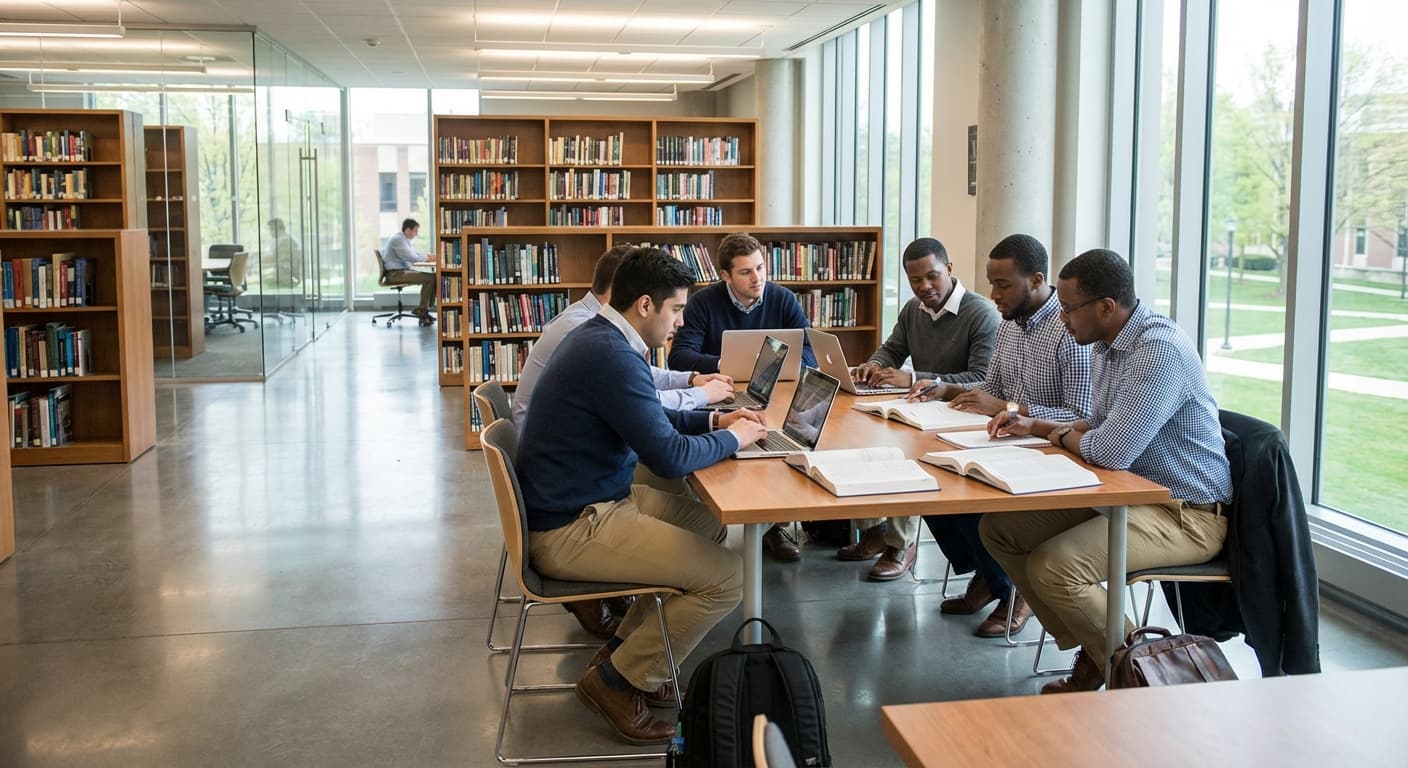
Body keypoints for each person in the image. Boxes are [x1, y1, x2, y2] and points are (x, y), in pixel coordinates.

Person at [517, 247, 768, 744]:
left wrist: (718, 420)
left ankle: (623, 649)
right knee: (726, 579)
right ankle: (617, 682)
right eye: (677, 310)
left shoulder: (602, 339)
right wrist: (736, 440)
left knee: (709, 525)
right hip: (573, 526)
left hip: (591, 501)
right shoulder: (609, 354)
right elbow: (670, 457)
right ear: (647, 305)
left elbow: (650, 417)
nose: (679, 322)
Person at [978, 248, 1231, 694]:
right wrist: (1037, 425)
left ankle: (1137, 674)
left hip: (1184, 512)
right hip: (1127, 495)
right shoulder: (1105, 345)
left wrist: (1059, 435)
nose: (1061, 318)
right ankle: (1102, 651)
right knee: (1000, 530)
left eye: (1069, 308)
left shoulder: (1158, 350)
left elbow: (1110, 449)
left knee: (1056, 567)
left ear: (1106, 307)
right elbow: (1094, 425)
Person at [907, 234, 1091, 638]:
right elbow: (993, 391)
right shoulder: (1010, 324)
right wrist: (953, 392)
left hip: (1054, 455)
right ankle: (991, 578)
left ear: (1038, 280)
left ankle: (1014, 589)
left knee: (974, 500)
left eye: (1003, 285)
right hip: (1011, 441)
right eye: (991, 283)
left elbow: (1082, 417)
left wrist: (1011, 411)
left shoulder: (1070, 331)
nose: (993, 295)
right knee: (931, 478)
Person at [841, 237, 999, 581]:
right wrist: (874, 364)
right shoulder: (914, 309)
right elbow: (892, 349)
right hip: (924, 409)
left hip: (963, 417)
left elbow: (983, 379)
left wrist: (913, 377)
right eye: (915, 280)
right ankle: (875, 530)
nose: (924, 286)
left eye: (932, 276)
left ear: (950, 270)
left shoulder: (981, 313)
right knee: (862, 438)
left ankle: (901, 543)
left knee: (902, 454)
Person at [667, 232, 818, 562]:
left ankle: (774, 525)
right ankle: (727, 520)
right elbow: (678, 357)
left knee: (785, 440)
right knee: (741, 447)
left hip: (774, 393)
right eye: (746, 272)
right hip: (721, 393)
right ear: (725, 275)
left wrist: (777, 367)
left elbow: (810, 352)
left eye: (761, 268)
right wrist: (725, 364)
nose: (758, 278)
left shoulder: (782, 299)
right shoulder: (704, 303)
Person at [512, 244, 737, 426]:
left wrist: (689, 379)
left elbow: (634, 375)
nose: (680, 321)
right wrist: (703, 395)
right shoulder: (585, 329)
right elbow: (644, 401)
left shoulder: (594, 324)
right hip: (556, 446)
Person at [381, 218, 437, 318]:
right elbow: (410, 257)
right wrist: (428, 258)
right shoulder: (398, 240)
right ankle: (423, 309)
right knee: (431, 278)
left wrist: (428, 256)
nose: (416, 234)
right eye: (415, 231)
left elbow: (414, 254)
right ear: (407, 230)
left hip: (399, 272)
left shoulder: (404, 240)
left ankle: (424, 309)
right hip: (395, 274)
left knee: (432, 277)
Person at [266, 218, 303, 286]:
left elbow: (283, 262)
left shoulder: (285, 241)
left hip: (287, 275)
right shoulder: (280, 240)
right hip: (284, 273)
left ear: (277, 228)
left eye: (271, 229)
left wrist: (266, 264)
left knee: (265, 279)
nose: (270, 232)